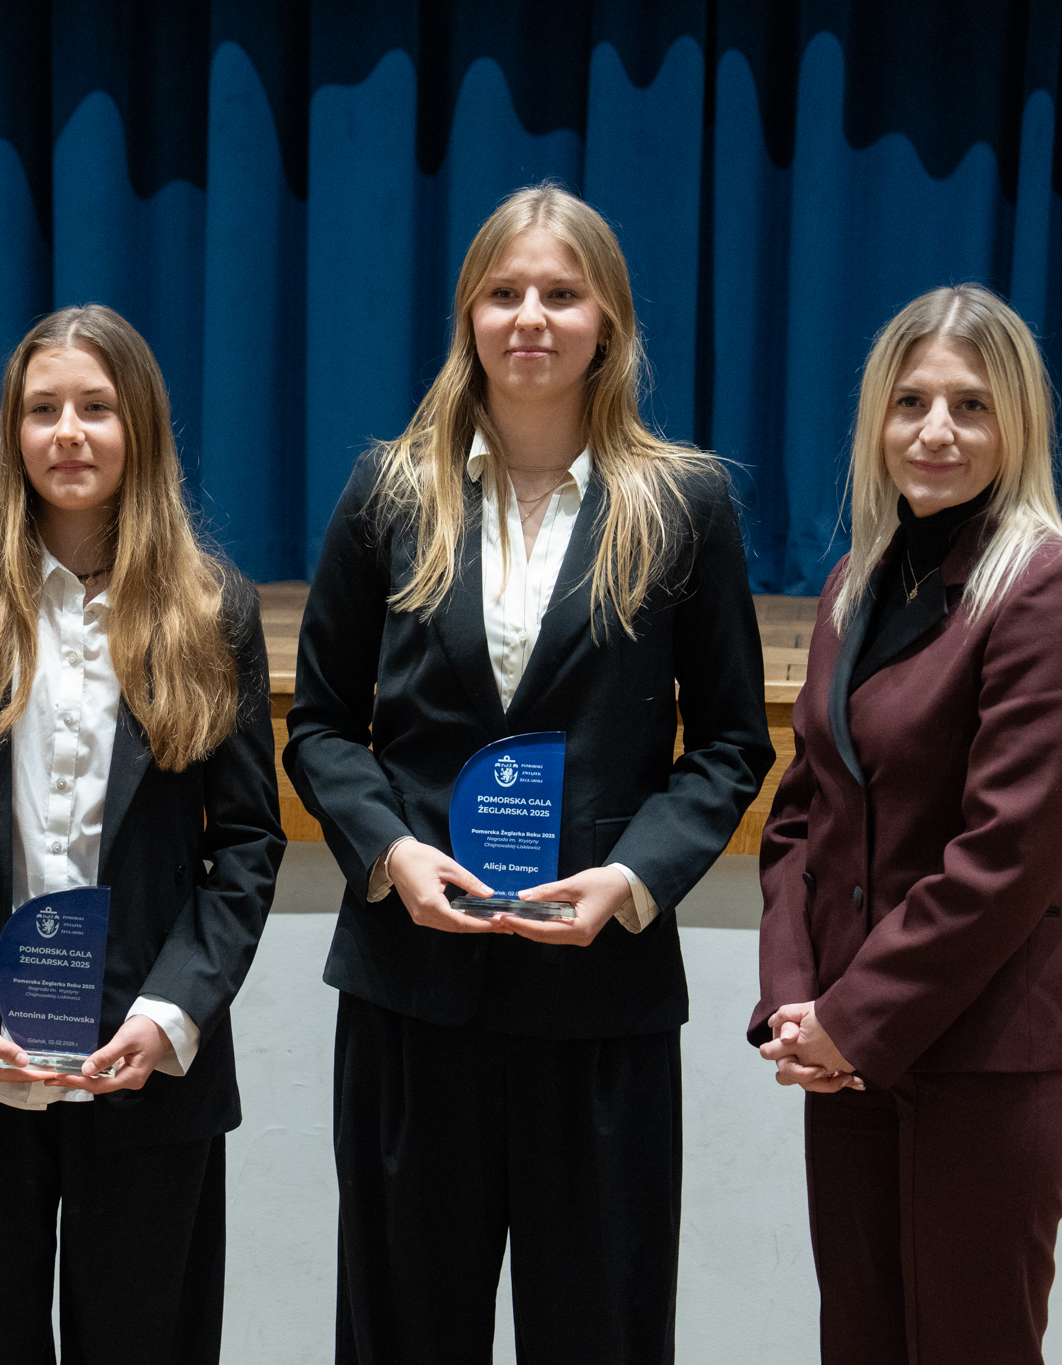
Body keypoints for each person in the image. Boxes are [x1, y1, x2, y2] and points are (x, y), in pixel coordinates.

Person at [283, 182, 773, 1364]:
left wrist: (632, 880)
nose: (530, 318)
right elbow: (318, 729)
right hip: (413, 988)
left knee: (598, 1330)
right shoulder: (388, 492)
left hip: (596, 995)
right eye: (503, 293)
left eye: (560, 293)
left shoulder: (683, 503)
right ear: (466, 316)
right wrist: (391, 855)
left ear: (606, 318)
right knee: (402, 1328)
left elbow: (727, 744)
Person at [0, 303, 284, 1365]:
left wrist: (174, 1012)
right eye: (42, 410)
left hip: (145, 1069)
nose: (68, 433)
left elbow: (248, 844)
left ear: (138, 426)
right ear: (13, 434)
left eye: (95, 407)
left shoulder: (208, 609)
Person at [750, 284, 1062, 1364]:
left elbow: (1000, 857)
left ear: (1016, 427)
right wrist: (792, 1003)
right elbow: (799, 820)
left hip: (986, 1059)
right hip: (849, 1058)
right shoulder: (847, 589)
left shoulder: (1052, 593)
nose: (935, 432)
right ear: (875, 421)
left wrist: (853, 1017)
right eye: (909, 403)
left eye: (969, 406)